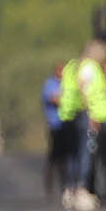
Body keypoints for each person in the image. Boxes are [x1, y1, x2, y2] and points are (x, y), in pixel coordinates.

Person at [59, 40, 106, 211]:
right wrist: (90, 112)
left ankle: (70, 189)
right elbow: (85, 88)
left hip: (71, 113)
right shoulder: (89, 67)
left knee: (74, 153)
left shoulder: (73, 65)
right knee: (85, 153)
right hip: (87, 114)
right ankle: (81, 190)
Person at [41, 63, 66, 201]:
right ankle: (48, 186)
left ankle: (64, 185)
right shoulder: (50, 84)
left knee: (65, 158)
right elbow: (54, 99)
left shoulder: (65, 84)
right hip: (55, 124)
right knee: (54, 157)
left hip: (66, 124)